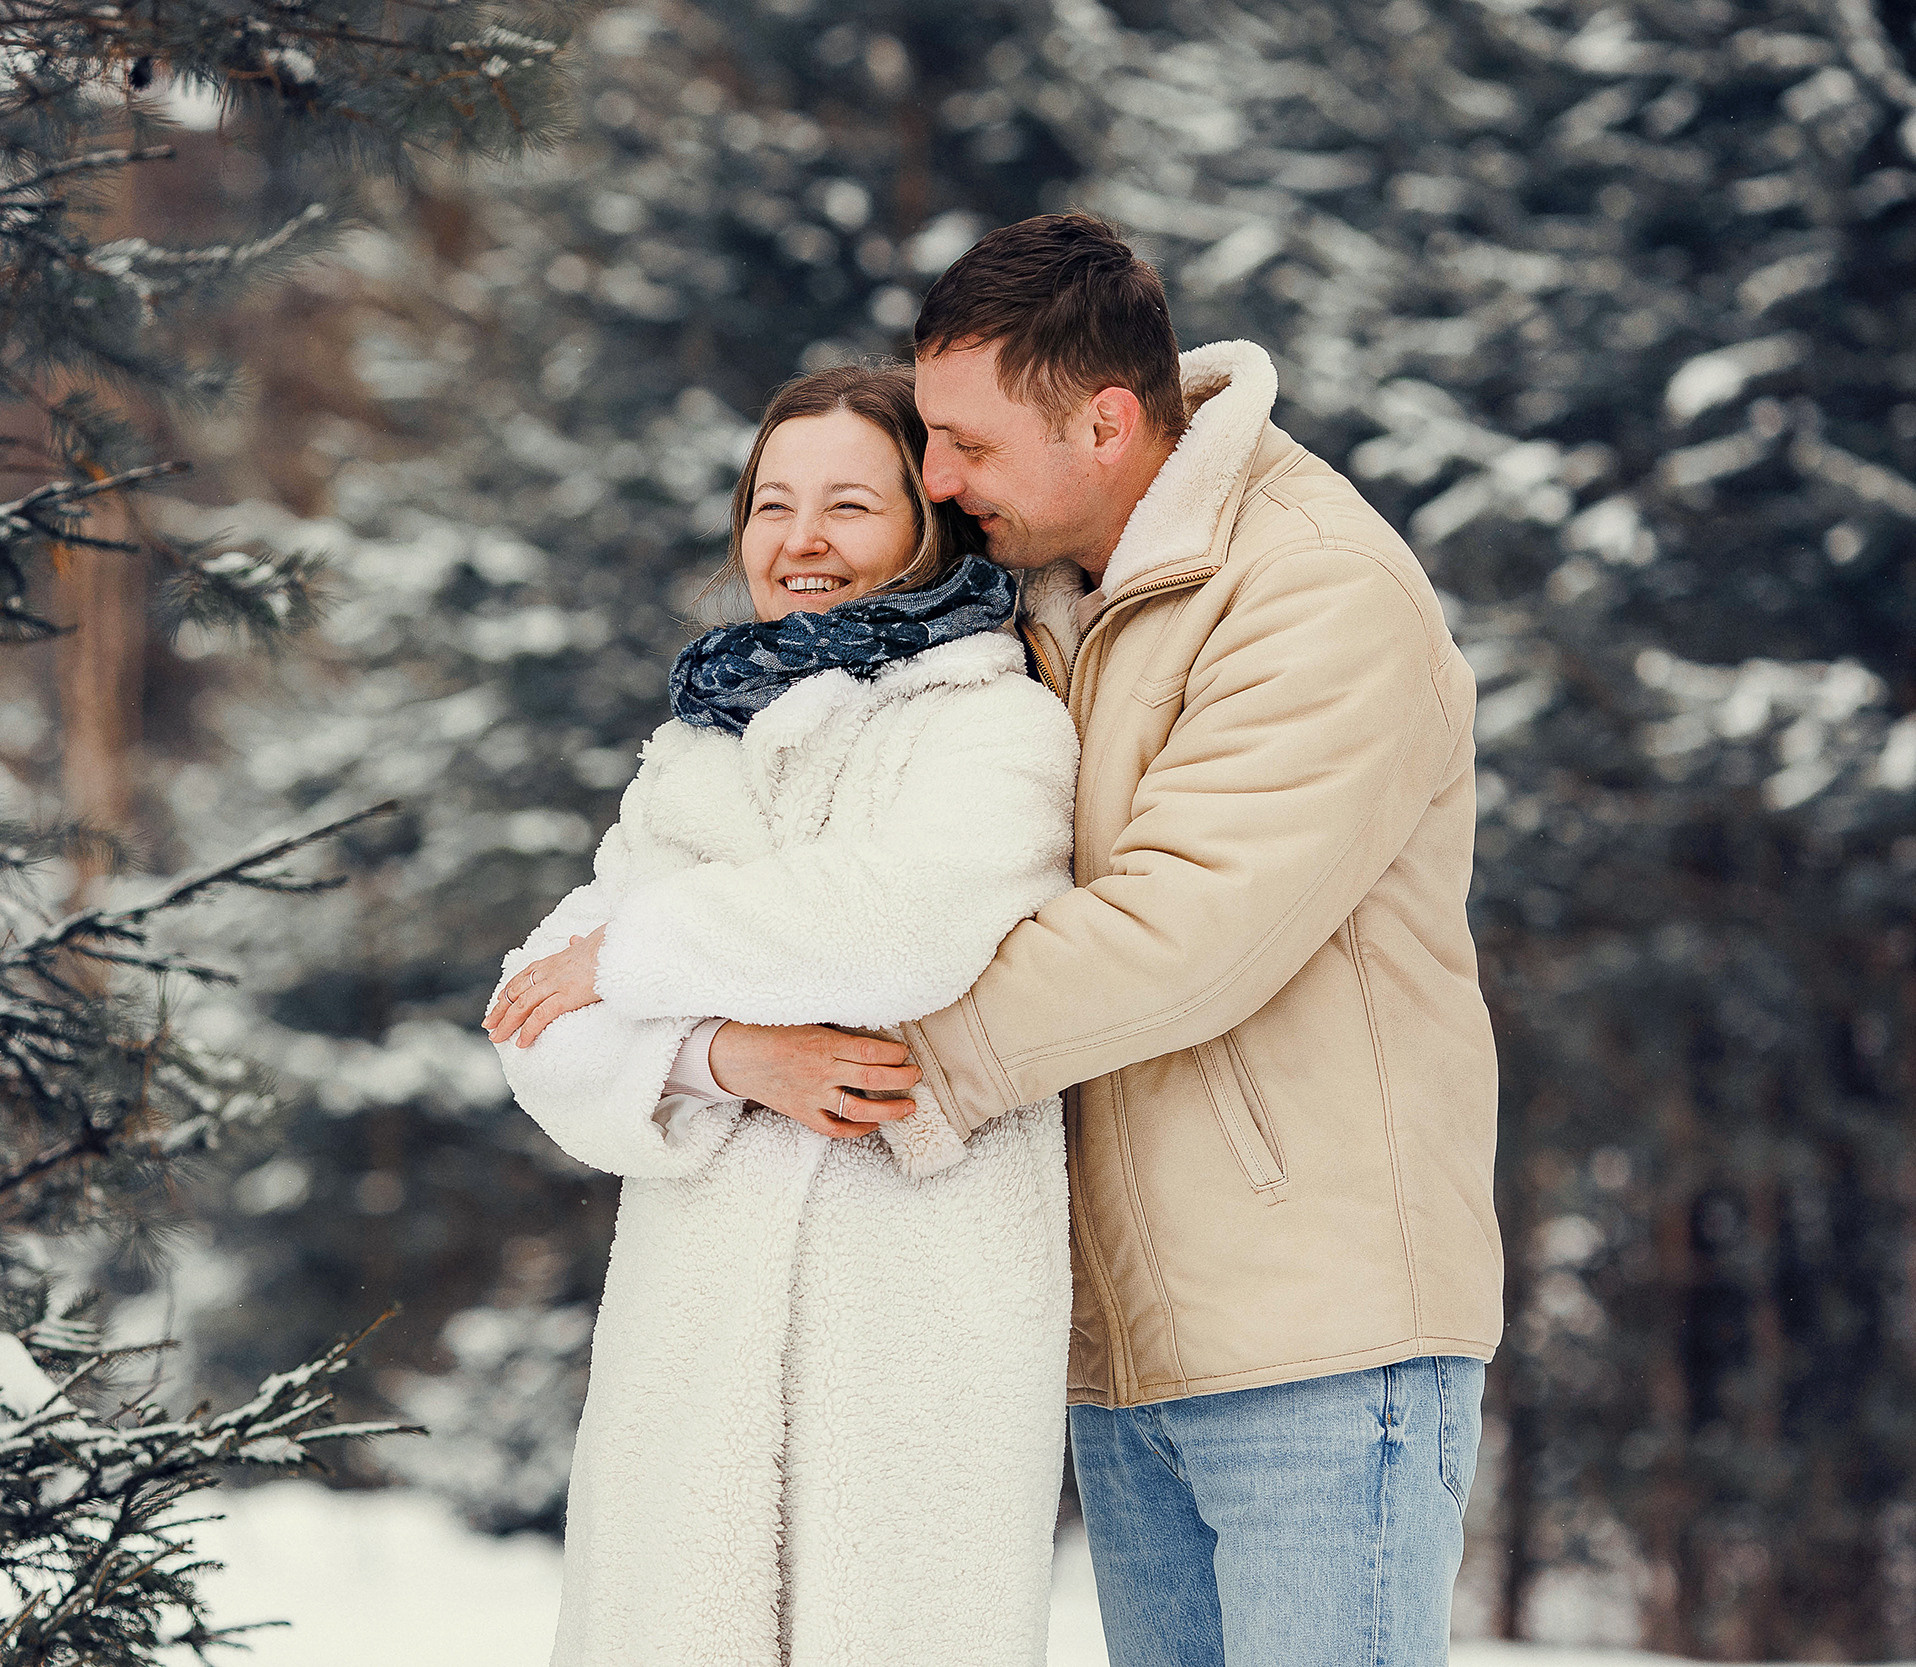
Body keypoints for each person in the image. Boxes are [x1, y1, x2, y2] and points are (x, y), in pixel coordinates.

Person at [702, 215, 1506, 1666]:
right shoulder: (1054, 596)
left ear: (1110, 421)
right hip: (1127, 1344)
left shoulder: (1314, 589)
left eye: (965, 445)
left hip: (1318, 1340)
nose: (935, 480)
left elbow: (1186, 931)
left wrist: (882, 1070)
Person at [482, 364, 1079, 1667]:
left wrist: (634, 953)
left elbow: (893, 926)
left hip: (912, 1324)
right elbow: (535, 1014)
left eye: (848, 506)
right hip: (691, 1344)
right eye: (772, 503)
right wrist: (722, 1054)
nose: (799, 541)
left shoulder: (994, 725)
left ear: (928, 524)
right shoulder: (701, 744)